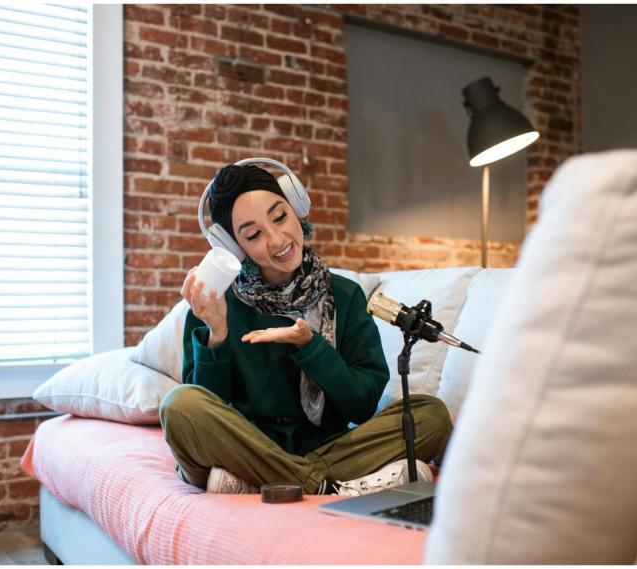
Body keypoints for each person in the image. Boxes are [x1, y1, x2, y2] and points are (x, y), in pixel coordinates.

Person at [159, 162, 453, 495]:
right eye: (254, 234)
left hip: (326, 446)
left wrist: (311, 347)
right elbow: (206, 406)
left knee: (432, 416)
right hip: (248, 445)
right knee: (178, 405)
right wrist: (218, 333)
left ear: (296, 209)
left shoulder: (345, 295)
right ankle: (324, 483)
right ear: (235, 248)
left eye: (280, 216)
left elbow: (362, 405)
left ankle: (266, 481)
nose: (277, 239)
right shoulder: (216, 305)